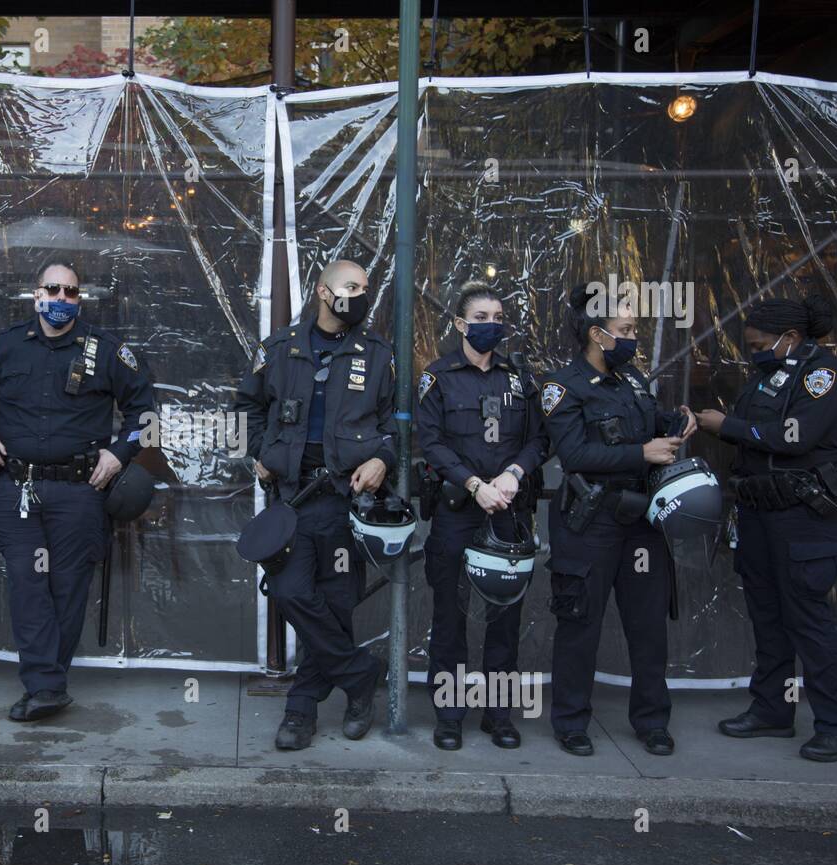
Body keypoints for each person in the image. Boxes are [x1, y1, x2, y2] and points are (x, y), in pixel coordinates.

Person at [0, 261, 154, 722]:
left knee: (68, 588)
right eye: (53, 290)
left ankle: (46, 684)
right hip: (17, 487)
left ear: (79, 299)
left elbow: (144, 410)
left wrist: (119, 454)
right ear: (36, 293)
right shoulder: (4, 347)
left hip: (80, 489)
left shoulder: (106, 351)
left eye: (71, 292)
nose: (62, 299)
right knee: (28, 585)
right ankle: (46, 685)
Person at [234, 258, 394, 751]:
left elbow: (397, 424)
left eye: (365, 288)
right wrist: (258, 452)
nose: (361, 295)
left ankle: (303, 710)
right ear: (324, 293)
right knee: (290, 590)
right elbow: (245, 409)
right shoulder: (279, 348)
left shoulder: (378, 354)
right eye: (352, 286)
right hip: (293, 498)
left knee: (338, 602)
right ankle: (359, 673)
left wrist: (384, 459)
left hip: (347, 499)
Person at [539, 283, 695, 757]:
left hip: (641, 521)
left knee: (648, 626)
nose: (632, 338)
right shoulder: (561, 387)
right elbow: (574, 452)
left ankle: (652, 721)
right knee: (579, 624)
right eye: (625, 329)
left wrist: (675, 422)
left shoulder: (632, 381)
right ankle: (570, 722)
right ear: (597, 334)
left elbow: (645, 426)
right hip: (589, 522)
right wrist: (641, 451)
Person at [696, 295, 837, 762]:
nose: (754, 350)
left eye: (761, 343)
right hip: (760, 514)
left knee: (809, 620)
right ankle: (772, 711)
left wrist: (728, 427)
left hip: (803, 519)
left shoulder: (824, 375)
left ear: (791, 338)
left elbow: (795, 436)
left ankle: (834, 724)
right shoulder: (766, 377)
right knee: (767, 617)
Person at [417, 281, 548, 750]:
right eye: (481, 318)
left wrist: (514, 472)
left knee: (504, 620)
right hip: (458, 514)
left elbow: (539, 439)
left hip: (508, 515)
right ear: (459, 324)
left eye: (497, 318)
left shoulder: (519, 378)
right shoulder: (438, 378)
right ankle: (449, 716)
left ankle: (499, 716)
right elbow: (429, 442)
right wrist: (474, 485)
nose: (491, 325)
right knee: (450, 620)